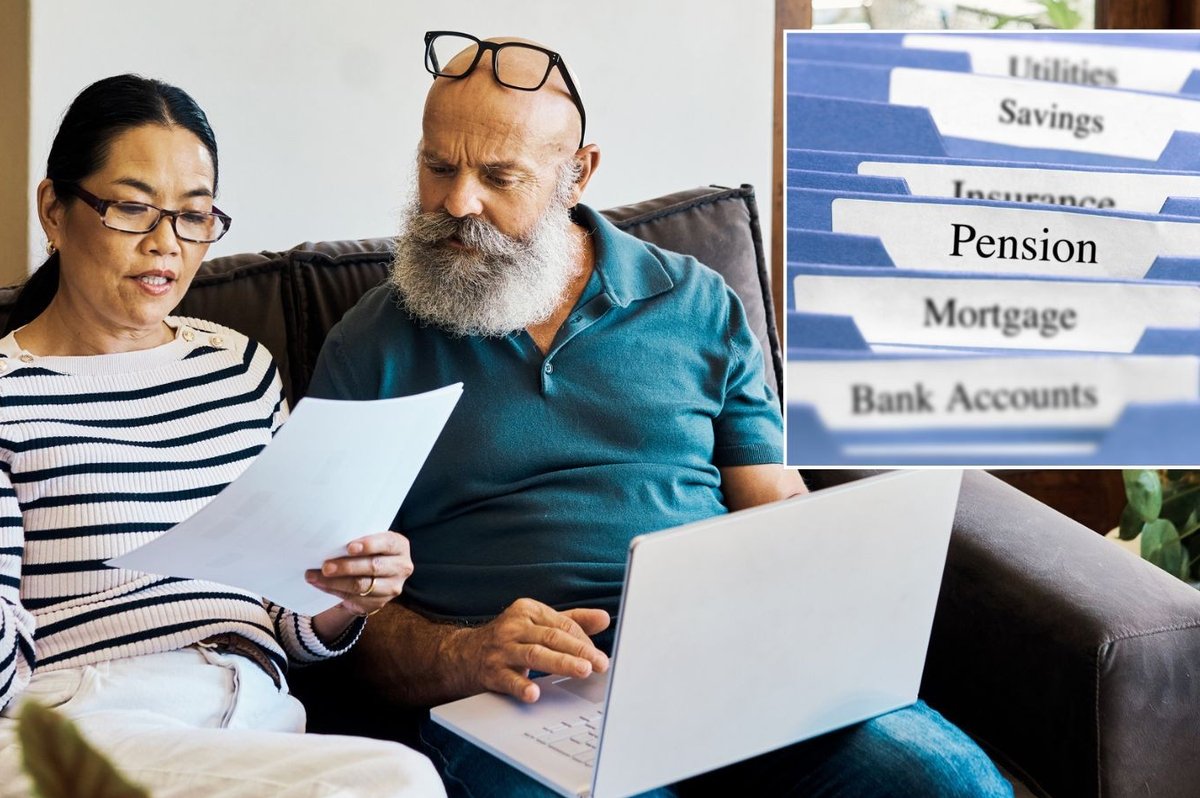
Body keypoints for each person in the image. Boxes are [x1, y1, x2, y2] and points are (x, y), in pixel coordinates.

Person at [308, 32, 1012, 798]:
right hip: (512, 700)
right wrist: (467, 654)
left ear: (577, 175)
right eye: (437, 165)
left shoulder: (695, 301)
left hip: (727, 670)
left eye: (499, 176)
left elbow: (778, 508)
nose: (456, 202)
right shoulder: (373, 341)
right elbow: (332, 609)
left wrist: (818, 619)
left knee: (950, 784)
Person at [0, 74, 444, 797]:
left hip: (258, 715)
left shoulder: (240, 368)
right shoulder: (7, 392)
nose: (164, 245)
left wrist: (347, 593)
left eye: (193, 216)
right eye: (133, 209)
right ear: (55, 210)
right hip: (89, 712)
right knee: (396, 780)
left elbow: (290, 622)